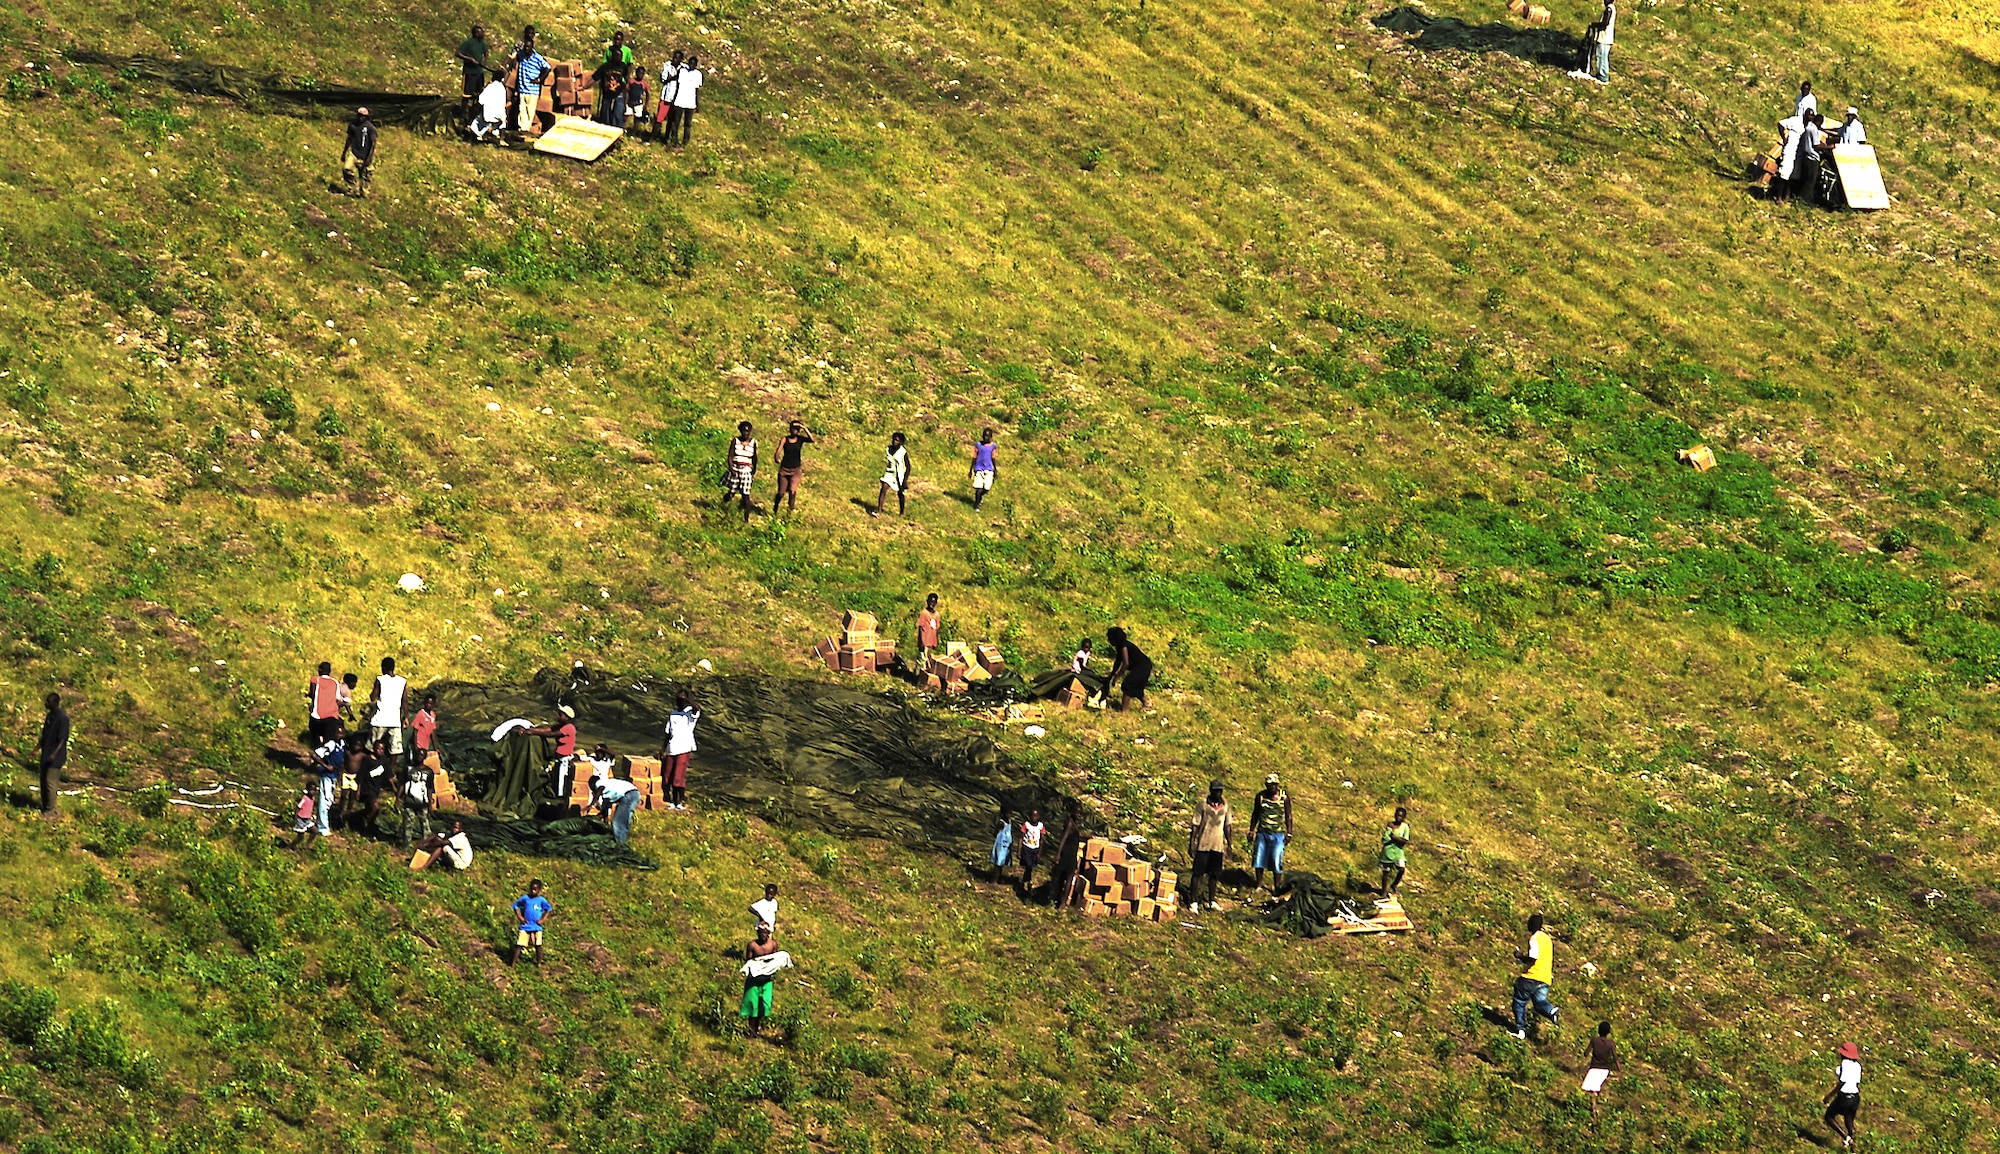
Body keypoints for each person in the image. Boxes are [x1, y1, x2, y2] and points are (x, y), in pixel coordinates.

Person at [1510, 913, 1561, 1040]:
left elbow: (1533, 957)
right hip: (1545, 977)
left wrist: (1520, 956)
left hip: (1532, 976)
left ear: (1532, 925)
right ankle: (1551, 1010)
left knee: (1519, 1001)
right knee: (1539, 1003)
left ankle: (1520, 1030)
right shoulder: (1547, 939)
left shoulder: (1534, 938)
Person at [1186, 781, 1233, 911]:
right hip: (1204, 843)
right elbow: (1195, 824)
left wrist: (1229, 844)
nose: (1218, 793)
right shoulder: (1203, 804)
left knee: (1214, 874)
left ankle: (1211, 900)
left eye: (1220, 791)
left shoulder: (1225, 805)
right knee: (1197, 873)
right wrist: (1192, 842)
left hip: (1217, 844)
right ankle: (1193, 901)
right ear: (1211, 791)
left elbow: (1227, 825)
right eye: (1215, 790)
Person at [525, 705, 580, 805]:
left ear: (567, 717)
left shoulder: (569, 728)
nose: (558, 717)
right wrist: (530, 730)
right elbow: (547, 730)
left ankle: (559, 799)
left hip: (565, 759)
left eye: (561, 715)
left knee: (561, 779)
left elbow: (551, 734)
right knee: (555, 777)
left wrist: (532, 732)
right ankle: (556, 795)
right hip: (558, 758)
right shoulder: (561, 726)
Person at [1247, 775, 1292, 892]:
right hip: (1262, 832)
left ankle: (1277, 886)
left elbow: (1288, 816)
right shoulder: (1260, 797)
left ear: (1277, 785)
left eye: (1274, 784)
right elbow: (1255, 814)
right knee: (1259, 858)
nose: (1272, 787)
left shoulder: (1284, 797)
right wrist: (1251, 830)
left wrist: (1289, 832)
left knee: (1276, 859)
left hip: (1278, 834)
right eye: (1269, 785)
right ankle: (1259, 884)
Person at [657, 689, 699, 810]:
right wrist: (662, 749)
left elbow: (697, 707)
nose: (679, 702)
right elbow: (668, 733)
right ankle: (672, 801)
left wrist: (686, 699)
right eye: (677, 699)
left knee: (678, 776)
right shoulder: (673, 714)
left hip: (684, 748)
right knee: (668, 775)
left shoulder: (690, 714)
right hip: (672, 748)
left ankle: (681, 801)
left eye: (681, 700)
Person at [368, 656, 409, 775]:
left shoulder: (380, 680)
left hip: (380, 719)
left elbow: (373, 697)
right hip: (395, 720)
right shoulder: (402, 681)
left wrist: (375, 690)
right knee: (394, 749)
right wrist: (406, 717)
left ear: (383, 668)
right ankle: (390, 772)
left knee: (373, 747)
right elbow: (405, 701)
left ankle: (372, 770)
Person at [741, 922, 782, 1034]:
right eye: (761, 933)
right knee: (752, 1005)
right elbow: (749, 962)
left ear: (769, 933)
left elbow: (775, 960)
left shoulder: (773, 944)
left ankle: (757, 1026)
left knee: (764, 1004)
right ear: (757, 932)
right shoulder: (753, 945)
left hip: (766, 980)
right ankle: (751, 1030)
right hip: (753, 980)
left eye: (765, 933)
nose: (763, 935)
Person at [511, 29, 551, 139]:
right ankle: (522, 130)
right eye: (525, 47)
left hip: (533, 90)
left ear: (532, 47)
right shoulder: (521, 55)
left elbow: (548, 68)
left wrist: (539, 79)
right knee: (521, 110)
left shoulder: (537, 58)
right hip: (522, 89)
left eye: (528, 47)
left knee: (530, 111)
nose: (526, 49)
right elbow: (513, 61)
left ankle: (526, 130)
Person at [1104, 626, 1154, 711]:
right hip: (1142, 666)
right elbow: (1118, 662)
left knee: (1127, 685)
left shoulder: (1124, 646)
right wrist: (1111, 676)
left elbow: (1125, 664)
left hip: (1143, 666)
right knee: (1136, 687)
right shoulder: (1120, 647)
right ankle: (1146, 703)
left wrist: (1117, 676)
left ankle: (1124, 711)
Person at [309, 720, 345, 838]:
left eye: (341, 733)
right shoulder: (331, 744)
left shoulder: (342, 744)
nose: (339, 735)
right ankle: (322, 827)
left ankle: (322, 822)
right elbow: (315, 754)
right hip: (326, 775)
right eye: (337, 733)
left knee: (330, 800)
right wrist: (325, 765)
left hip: (334, 776)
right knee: (325, 800)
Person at [1823, 1041, 1862, 1148]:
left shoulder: (1845, 1063)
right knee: (1849, 1120)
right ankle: (1852, 1143)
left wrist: (1829, 1096)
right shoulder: (1857, 1065)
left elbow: (1842, 1081)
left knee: (1829, 1116)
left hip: (1844, 1096)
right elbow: (1857, 1082)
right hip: (1855, 1096)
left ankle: (1846, 1138)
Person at [37, 692, 69, 816]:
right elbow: (44, 737)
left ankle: (51, 810)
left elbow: (62, 739)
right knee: (43, 781)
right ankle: (45, 806)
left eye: (48, 701)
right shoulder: (50, 716)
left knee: (51, 782)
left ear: (55, 702)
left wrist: (54, 754)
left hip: (55, 757)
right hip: (46, 754)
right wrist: (36, 750)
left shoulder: (63, 718)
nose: (46, 703)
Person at [773, 420, 815, 515]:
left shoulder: (800, 439)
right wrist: (777, 457)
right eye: (793, 429)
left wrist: (804, 428)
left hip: (796, 470)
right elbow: (779, 450)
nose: (795, 431)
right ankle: (775, 507)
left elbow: (812, 440)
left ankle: (789, 513)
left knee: (792, 491)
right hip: (784, 470)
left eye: (797, 429)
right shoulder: (785, 439)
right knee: (781, 493)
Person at [589, 774, 642, 845]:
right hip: (632, 794)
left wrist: (593, 802)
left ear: (592, 784)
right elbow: (605, 810)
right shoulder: (608, 790)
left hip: (630, 795)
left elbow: (600, 788)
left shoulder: (599, 783)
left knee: (618, 822)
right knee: (621, 820)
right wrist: (600, 818)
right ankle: (620, 841)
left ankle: (621, 844)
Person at [399, 739, 433, 849]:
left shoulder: (429, 772)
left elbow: (429, 788)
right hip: (409, 802)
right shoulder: (408, 769)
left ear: (425, 757)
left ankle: (425, 846)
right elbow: (402, 784)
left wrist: (430, 804)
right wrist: (398, 798)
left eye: (422, 755)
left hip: (423, 803)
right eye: (418, 754)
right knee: (408, 824)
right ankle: (406, 846)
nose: (419, 757)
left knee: (425, 825)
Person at [510, 879, 551, 965]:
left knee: (538, 945)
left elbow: (548, 909)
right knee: (520, 945)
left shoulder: (541, 900)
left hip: (536, 926)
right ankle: (513, 964)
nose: (533, 891)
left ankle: (539, 963)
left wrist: (543, 920)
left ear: (539, 890)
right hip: (526, 925)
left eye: (535, 889)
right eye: (532, 889)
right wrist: (520, 917)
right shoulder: (526, 898)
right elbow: (515, 905)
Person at [1583, 1022, 1621, 1115]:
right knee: (1596, 1087)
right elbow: (1615, 1058)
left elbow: (1586, 1053)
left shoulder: (1594, 1040)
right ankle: (1595, 1107)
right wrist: (1620, 1070)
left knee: (1589, 1089)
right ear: (1608, 1032)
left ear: (1598, 1030)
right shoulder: (1611, 1043)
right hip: (1605, 1070)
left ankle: (1593, 1108)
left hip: (1594, 1068)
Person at [597, 31, 634, 127]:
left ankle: (616, 126)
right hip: (610, 80)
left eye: (619, 40)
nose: (616, 41)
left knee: (618, 107)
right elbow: (605, 65)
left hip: (621, 81)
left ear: (622, 40)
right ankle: (605, 123)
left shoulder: (627, 51)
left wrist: (627, 80)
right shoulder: (609, 50)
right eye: (615, 39)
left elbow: (629, 65)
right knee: (606, 106)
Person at [1051, 803, 1084, 907]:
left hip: (1071, 854)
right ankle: (1062, 902)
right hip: (1067, 854)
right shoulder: (1070, 824)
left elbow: (1075, 835)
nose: (1079, 815)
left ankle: (1061, 900)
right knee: (1066, 878)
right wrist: (1058, 854)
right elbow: (1063, 839)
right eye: (1077, 813)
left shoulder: (1074, 824)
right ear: (1072, 812)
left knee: (1065, 878)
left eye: (1080, 813)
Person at [725, 421, 758, 523]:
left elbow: (754, 457)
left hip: (746, 469)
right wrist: (731, 468)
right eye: (744, 431)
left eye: (748, 431)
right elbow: (730, 456)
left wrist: (753, 470)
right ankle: (724, 505)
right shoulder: (735, 441)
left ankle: (746, 518)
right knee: (732, 491)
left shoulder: (753, 443)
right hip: (735, 468)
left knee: (746, 494)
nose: (746, 433)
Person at [340, 107, 378, 198]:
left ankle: (364, 192)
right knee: (347, 168)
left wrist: (369, 157)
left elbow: (373, 143)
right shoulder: (353, 125)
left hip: (365, 154)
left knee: (366, 175)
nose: (360, 118)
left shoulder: (370, 128)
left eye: (363, 116)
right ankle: (352, 188)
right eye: (359, 115)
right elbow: (349, 139)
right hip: (354, 152)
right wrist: (344, 152)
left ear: (366, 117)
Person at [455, 24, 490, 118]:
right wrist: (469, 59)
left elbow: (486, 52)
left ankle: (473, 113)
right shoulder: (468, 43)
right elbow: (458, 53)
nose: (483, 34)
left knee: (478, 93)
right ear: (476, 33)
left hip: (479, 72)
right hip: (469, 72)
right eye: (480, 32)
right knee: (466, 95)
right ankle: (463, 113)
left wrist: (484, 61)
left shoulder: (482, 43)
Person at [873, 431, 911, 518]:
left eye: (897, 440)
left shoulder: (903, 452)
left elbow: (908, 467)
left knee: (900, 493)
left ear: (901, 442)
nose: (894, 442)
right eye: (894, 440)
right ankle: (879, 511)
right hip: (890, 472)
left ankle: (902, 512)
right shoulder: (889, 449)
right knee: (884, 487)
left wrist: (905, 480)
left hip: (900, 474)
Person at [666, 53, 702, 146]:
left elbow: (697, 90)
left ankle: (685, 141)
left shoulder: (698, 74)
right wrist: (674, 99)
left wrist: (697, 104)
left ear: (696, 65)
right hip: (679, 100)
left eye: (693, 64)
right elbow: (677, 85)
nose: (691, 65)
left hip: (690, 102)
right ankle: (674, 140)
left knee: (688, 123)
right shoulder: (682, 71)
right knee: (676, 122)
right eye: (690, 63)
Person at [307, 661, 341, 744]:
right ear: (330, 671)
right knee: (328, 739)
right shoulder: (335, 682)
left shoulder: (315, 680)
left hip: (318, 714)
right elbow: (337, 698)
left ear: (320, 670)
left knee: (315, 736)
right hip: (332, 715)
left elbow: (313, 694)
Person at [1379, 806, 1411, 896]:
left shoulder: (1405, 827)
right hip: (1388, 852)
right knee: (1386, 872)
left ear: (1404, 817)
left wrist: (1394, 838)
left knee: (1401, 869)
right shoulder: (1390, 825)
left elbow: (1405, 841)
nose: (1398, 817)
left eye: (1401, 816)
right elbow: (1385, 839)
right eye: (1397, 815)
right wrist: (1394, 838)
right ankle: (1384, 891)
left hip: (1398, 852)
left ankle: (1394, 885)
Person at [655, 49, 685, 141]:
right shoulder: (667, 65)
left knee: (671, 120)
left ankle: (666, 138)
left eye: (677, 58)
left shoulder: (684, 68)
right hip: (666, 97)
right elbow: (664, 79)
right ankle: (653, 137)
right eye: (674, 57)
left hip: (676, 99)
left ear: (681, 59)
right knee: (659, 118)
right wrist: (675, 77)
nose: (674, 59)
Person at [468, 76, 508, 142]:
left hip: (488, 115)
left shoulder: (490, 87)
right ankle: (501, 139)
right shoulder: (503, 89)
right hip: (500, 117)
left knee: (477, 122)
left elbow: (481, 100)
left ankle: (472, 138)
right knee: (501, 123)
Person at [1018, 808, 1047, 895]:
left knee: (1030, 867)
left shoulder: (1040, 826)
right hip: (1027, 848)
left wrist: (1039, 853)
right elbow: (1021, 837)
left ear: (1039, 816)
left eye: (1036, 816)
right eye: (1032, 816)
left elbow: (1042, 840)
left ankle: (1025, 881)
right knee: (1028, 865)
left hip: (1035, 849)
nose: (1034, 818)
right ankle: (1027, 881)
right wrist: (1019, 851)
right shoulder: (1026, 825)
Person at [968, 427, 998, 511]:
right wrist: (971, 469)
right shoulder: (978, 445)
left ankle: (980, 497)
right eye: (984, 435)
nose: (986, 438)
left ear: (991, 437)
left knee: (986, 488)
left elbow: (993, 457)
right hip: (979, 468)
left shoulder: (993, 446)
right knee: (978, 487)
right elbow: (974, 456)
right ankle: (976, 505)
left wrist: (995, 470)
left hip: (989, 469)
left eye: (988, 436)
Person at [1589, 0, 1614, 84]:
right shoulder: (1612, 8)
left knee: (1601, 56)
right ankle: (1602, 74)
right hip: (1607, 38)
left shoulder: (1609, 9)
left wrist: (1594, 25)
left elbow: (1605, 23)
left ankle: (1603, 75)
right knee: (1603, 56)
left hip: (1604, 38)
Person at [411, 695, 438, 771]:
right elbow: (415, 731)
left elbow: (432, 731)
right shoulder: (420, 714)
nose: (428, 705)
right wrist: (416, 746)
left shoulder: (433, 715)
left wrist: (435, 747)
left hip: (426, 744)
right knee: (417, 762)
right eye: (427, 703)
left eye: (431, 703)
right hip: (419, 744)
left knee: (424, 763)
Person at [289, 783, 318, 850]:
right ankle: (291, 846)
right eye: (311, 790)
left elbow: (310, 807)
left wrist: (312, 814)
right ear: (307, 790)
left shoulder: (312, 798)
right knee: (301, 837)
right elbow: (298, 807)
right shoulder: (305, 798)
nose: (313, 792)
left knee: (315, 831)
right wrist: (295, 818)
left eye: (314, 790)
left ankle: (307, 845)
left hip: (307, 819)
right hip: (300, 819)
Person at [916, 593, 942, 664]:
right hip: (924, 642)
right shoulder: (923, 613)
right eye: (930, 602)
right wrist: (921, 642)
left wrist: (936, 642)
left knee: (929, 662)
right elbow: (920, 628)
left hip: (931, 642)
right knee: (922, 661)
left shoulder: (937, 615)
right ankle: (917, 675)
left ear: (936, 603)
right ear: (927, 601)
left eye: (933, 602)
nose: (931, 604)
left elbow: (936, 629)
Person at [990, 812, 1015, 883]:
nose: (1009, 815)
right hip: (1001, 845)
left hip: (1006, 845)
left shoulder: (1009, 822)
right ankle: (994, 880)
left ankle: (999, 878)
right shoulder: (1001, 823)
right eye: (1008, 813)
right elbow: (995, 833)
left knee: (1001, 863)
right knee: (998, 863)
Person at [624, 65, 649, 134]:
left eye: (642, 73)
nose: (640, 75)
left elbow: (648, 93)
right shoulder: (631, 81)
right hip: (630, 102)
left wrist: (646, 105)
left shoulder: (644, 84)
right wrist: (625, 102)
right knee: (625, 117)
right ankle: (623, 130)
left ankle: (633, 133)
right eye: (639, 73)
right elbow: (627, 91)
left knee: (637, 119)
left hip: (638, 104)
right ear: (636, 73)